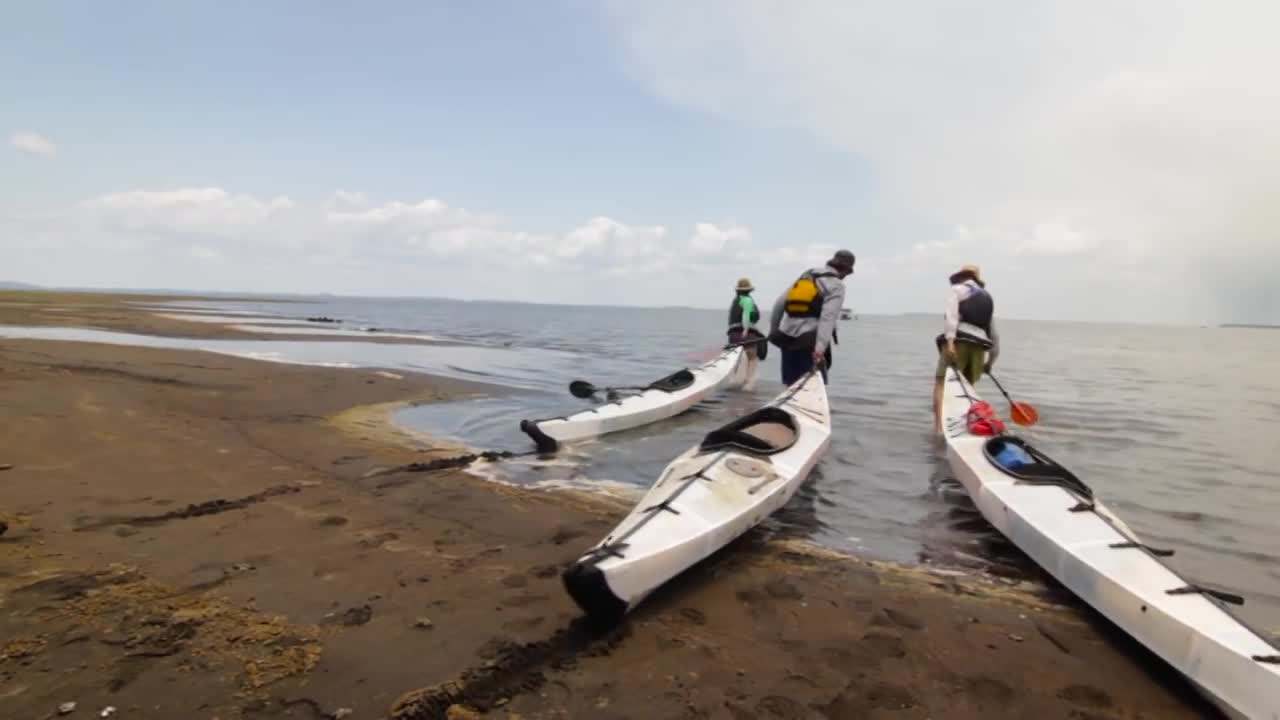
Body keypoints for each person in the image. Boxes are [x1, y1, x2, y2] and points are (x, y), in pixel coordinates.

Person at [769, 250, 855, 385]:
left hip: (786, 337)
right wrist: (820, 349)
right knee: (813, 386)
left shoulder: (807, 275)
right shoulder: (836, 285)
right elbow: (828, 318)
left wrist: (774, 329)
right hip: (808, 342)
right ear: (845, 270)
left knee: (790, 384)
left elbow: (779, 303)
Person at [933, 264, 1000, 433]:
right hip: (979, 347)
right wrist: (990, 362)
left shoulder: (958, 290)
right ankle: (964, 428)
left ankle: (939, 428)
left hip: (959, 340)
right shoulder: (987, 298)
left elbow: (951, 317)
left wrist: (949, 342)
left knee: (941, 383)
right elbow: (995, 336)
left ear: (962, 277)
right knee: (967, 388)